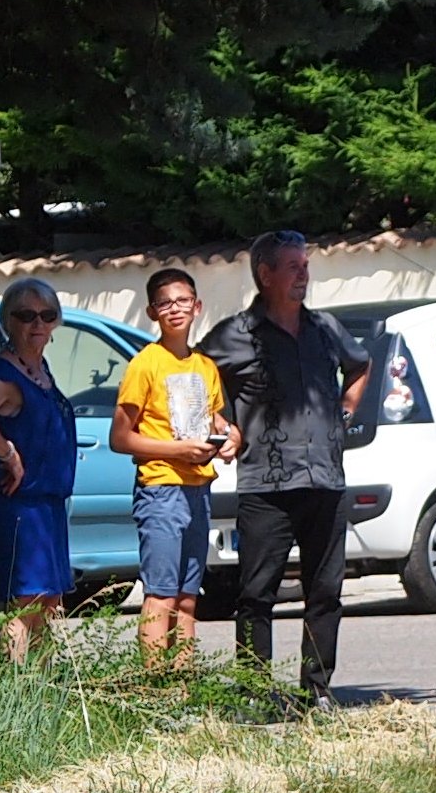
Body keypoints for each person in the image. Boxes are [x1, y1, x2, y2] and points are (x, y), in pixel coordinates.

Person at [203, 232, 370, 706]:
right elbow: (196, 378)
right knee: (257, 594)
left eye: (305, 265)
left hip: (325, 480)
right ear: (265, 274)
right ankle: (255, 694)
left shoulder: (325, 328)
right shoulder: (234, 334)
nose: (303, 274)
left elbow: (360, 366)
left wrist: (343, 415)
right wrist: (224, 424)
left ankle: (316, 691)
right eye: (293, 266)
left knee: (325, 592)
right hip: (267, 484)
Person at [110, 267, 233, 666]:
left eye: (183, 301)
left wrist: (230, 437)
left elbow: (216, 421)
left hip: (198, 489)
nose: (175, 309)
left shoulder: (205, 366)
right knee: (161, 594)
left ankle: (182, 685)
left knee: (187, 597)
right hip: (161, 488)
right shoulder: (145, 364)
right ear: (152, 312)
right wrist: (179, 450)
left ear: (197, 307)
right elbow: (120, 437)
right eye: (165, 303)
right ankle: (155, 687)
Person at [0, 281, 78, 660]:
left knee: (47, 601)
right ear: (8, 321)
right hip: (19, 507)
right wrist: (8, 452)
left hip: (47, 506)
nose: (38, 324)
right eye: (26, 315)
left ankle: (39, 686)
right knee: (23, 602)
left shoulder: (38, 368)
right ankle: (14, 681)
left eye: (47, 315)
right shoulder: (5, 373)